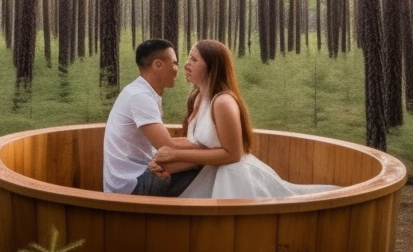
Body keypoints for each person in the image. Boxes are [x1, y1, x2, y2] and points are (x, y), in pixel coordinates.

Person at [151, 39, 335, 199]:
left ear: (212, 66)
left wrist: (175, 155)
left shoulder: (223, 101)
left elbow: (233, 154)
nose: (186, 64)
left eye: (194, 59)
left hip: (232, 179)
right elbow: (198, 145)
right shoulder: (197, 97)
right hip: (209, 176)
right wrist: (163, 159)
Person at [102, 38, 203, 196]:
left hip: (136, 175)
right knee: (207, 170)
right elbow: (167, 147)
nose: (178, 68)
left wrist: (203, 149)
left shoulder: (142, 91)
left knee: (202, 165)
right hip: (130, 186)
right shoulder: (140, 96)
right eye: (174, 63)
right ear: (158, 65)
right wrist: (210, 156)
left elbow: (167, 146)